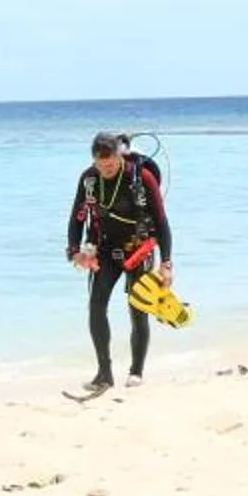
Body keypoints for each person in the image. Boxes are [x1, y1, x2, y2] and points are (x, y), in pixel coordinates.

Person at [65, 130, 175, 393]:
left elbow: (161, 221)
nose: (106, 169)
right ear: (94, 160)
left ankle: (136, 371)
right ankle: (104, 373)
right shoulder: (89, 179)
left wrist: (167, 263)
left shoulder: (141, 177)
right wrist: (74, 251)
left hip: (138, 248)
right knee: (96, 306)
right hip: (103, 250)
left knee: (137, 310)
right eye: (101, 165)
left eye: (111, 164)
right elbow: (77, 219)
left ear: (119, 157)